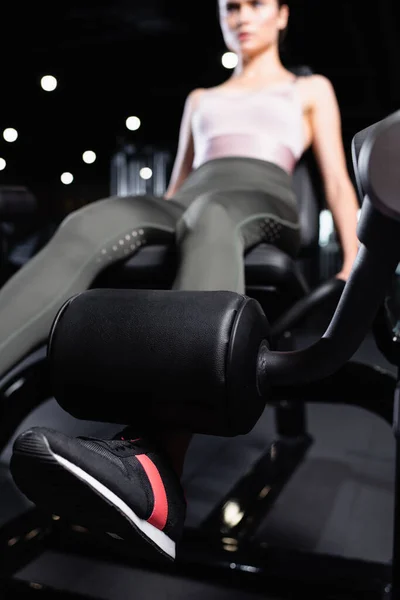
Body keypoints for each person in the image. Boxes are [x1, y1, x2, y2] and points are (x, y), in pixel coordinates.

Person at [9, 0, 360, 563]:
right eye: (231, 7)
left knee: (213, 216)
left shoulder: (309, 89)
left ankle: (154, 469)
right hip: (194, 197)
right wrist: (142, 228)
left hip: (262, 196)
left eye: (256, 5)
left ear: (283, 14)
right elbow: (178, 185)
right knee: (89, 220)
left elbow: (338, 182)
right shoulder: (202, 98)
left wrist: (352, 263)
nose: (242, 16)